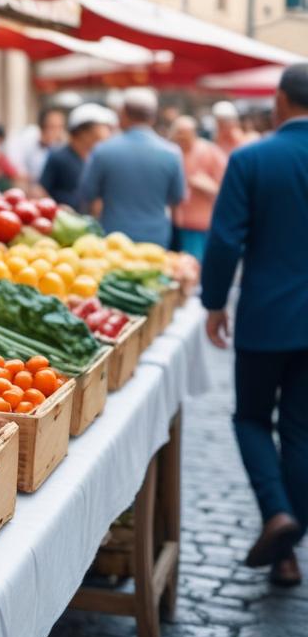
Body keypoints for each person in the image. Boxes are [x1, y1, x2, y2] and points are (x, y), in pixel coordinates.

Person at [202, 63, 308, 587]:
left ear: (280, 101)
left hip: (267, 315)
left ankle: (276, 516)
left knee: (250, 419)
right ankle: (287, 550)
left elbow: (224, 241)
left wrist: (214, 302)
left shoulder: (252, 158)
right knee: (301, 431)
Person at [77, 87, 185, 245]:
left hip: (114, 238)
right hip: (156, 238)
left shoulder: (103, 150)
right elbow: (177, 196)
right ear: (153, 117)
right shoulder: (172, 153)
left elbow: (87, 193)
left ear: (123, 114)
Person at [170, 115, 227, 261]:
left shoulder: (211, 152)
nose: (181, 137)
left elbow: (226, 188)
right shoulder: (171, 153)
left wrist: (208, 185)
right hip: (177, 223)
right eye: (178, 133)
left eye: (184, 133)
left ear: (194, 133)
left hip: (202, 225)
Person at [38, 103, 111, 212]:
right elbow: (41, 191)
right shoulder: (58, 157)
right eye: (99, 128)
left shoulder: (95, 159)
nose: (104, 133)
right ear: (82, 132)